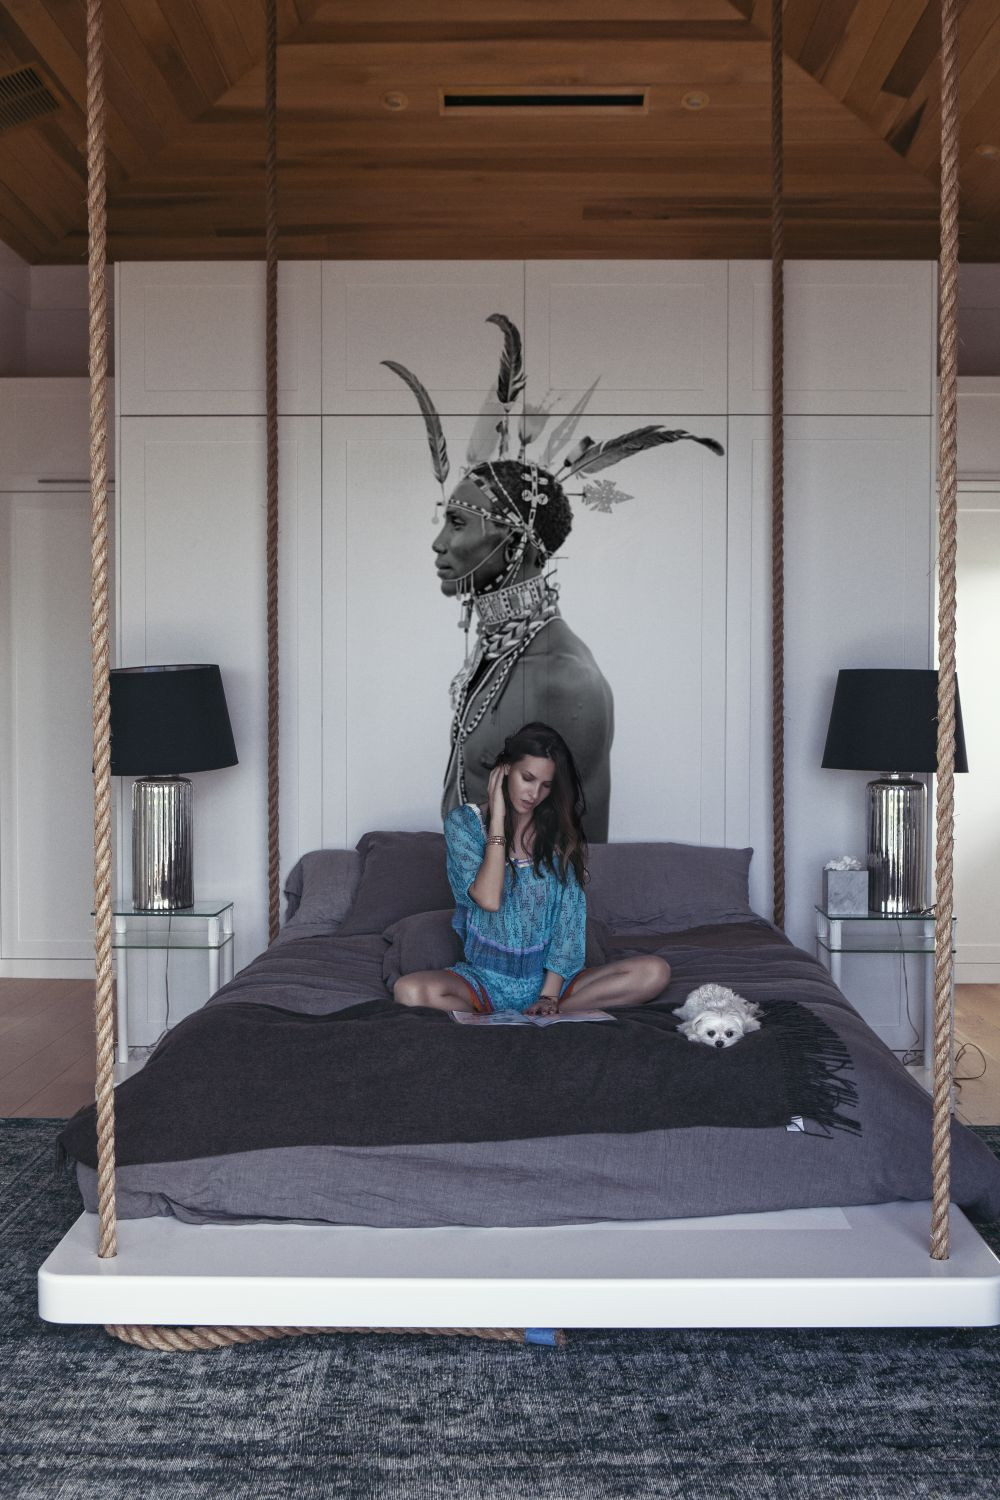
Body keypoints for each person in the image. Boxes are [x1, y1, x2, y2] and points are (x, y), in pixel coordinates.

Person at [392, 722, 670, 1016]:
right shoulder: (464, 824)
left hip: (555, 985)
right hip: (484, 981)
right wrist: (497, 819)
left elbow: (568, 923)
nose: (534, 793)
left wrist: (549, 996)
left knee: (654, 971)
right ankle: (511, 1020)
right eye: (527, 778)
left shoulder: (560, 837)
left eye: (546, 785)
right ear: (505, 769)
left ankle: (539, 1017)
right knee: (408, 990)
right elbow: (489, 899)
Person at [434, 461, 614, 840]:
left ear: (514, 541)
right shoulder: (496, 651)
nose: (439, 542)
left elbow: (585, 851)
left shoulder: (565, 680)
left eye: (458, 523)